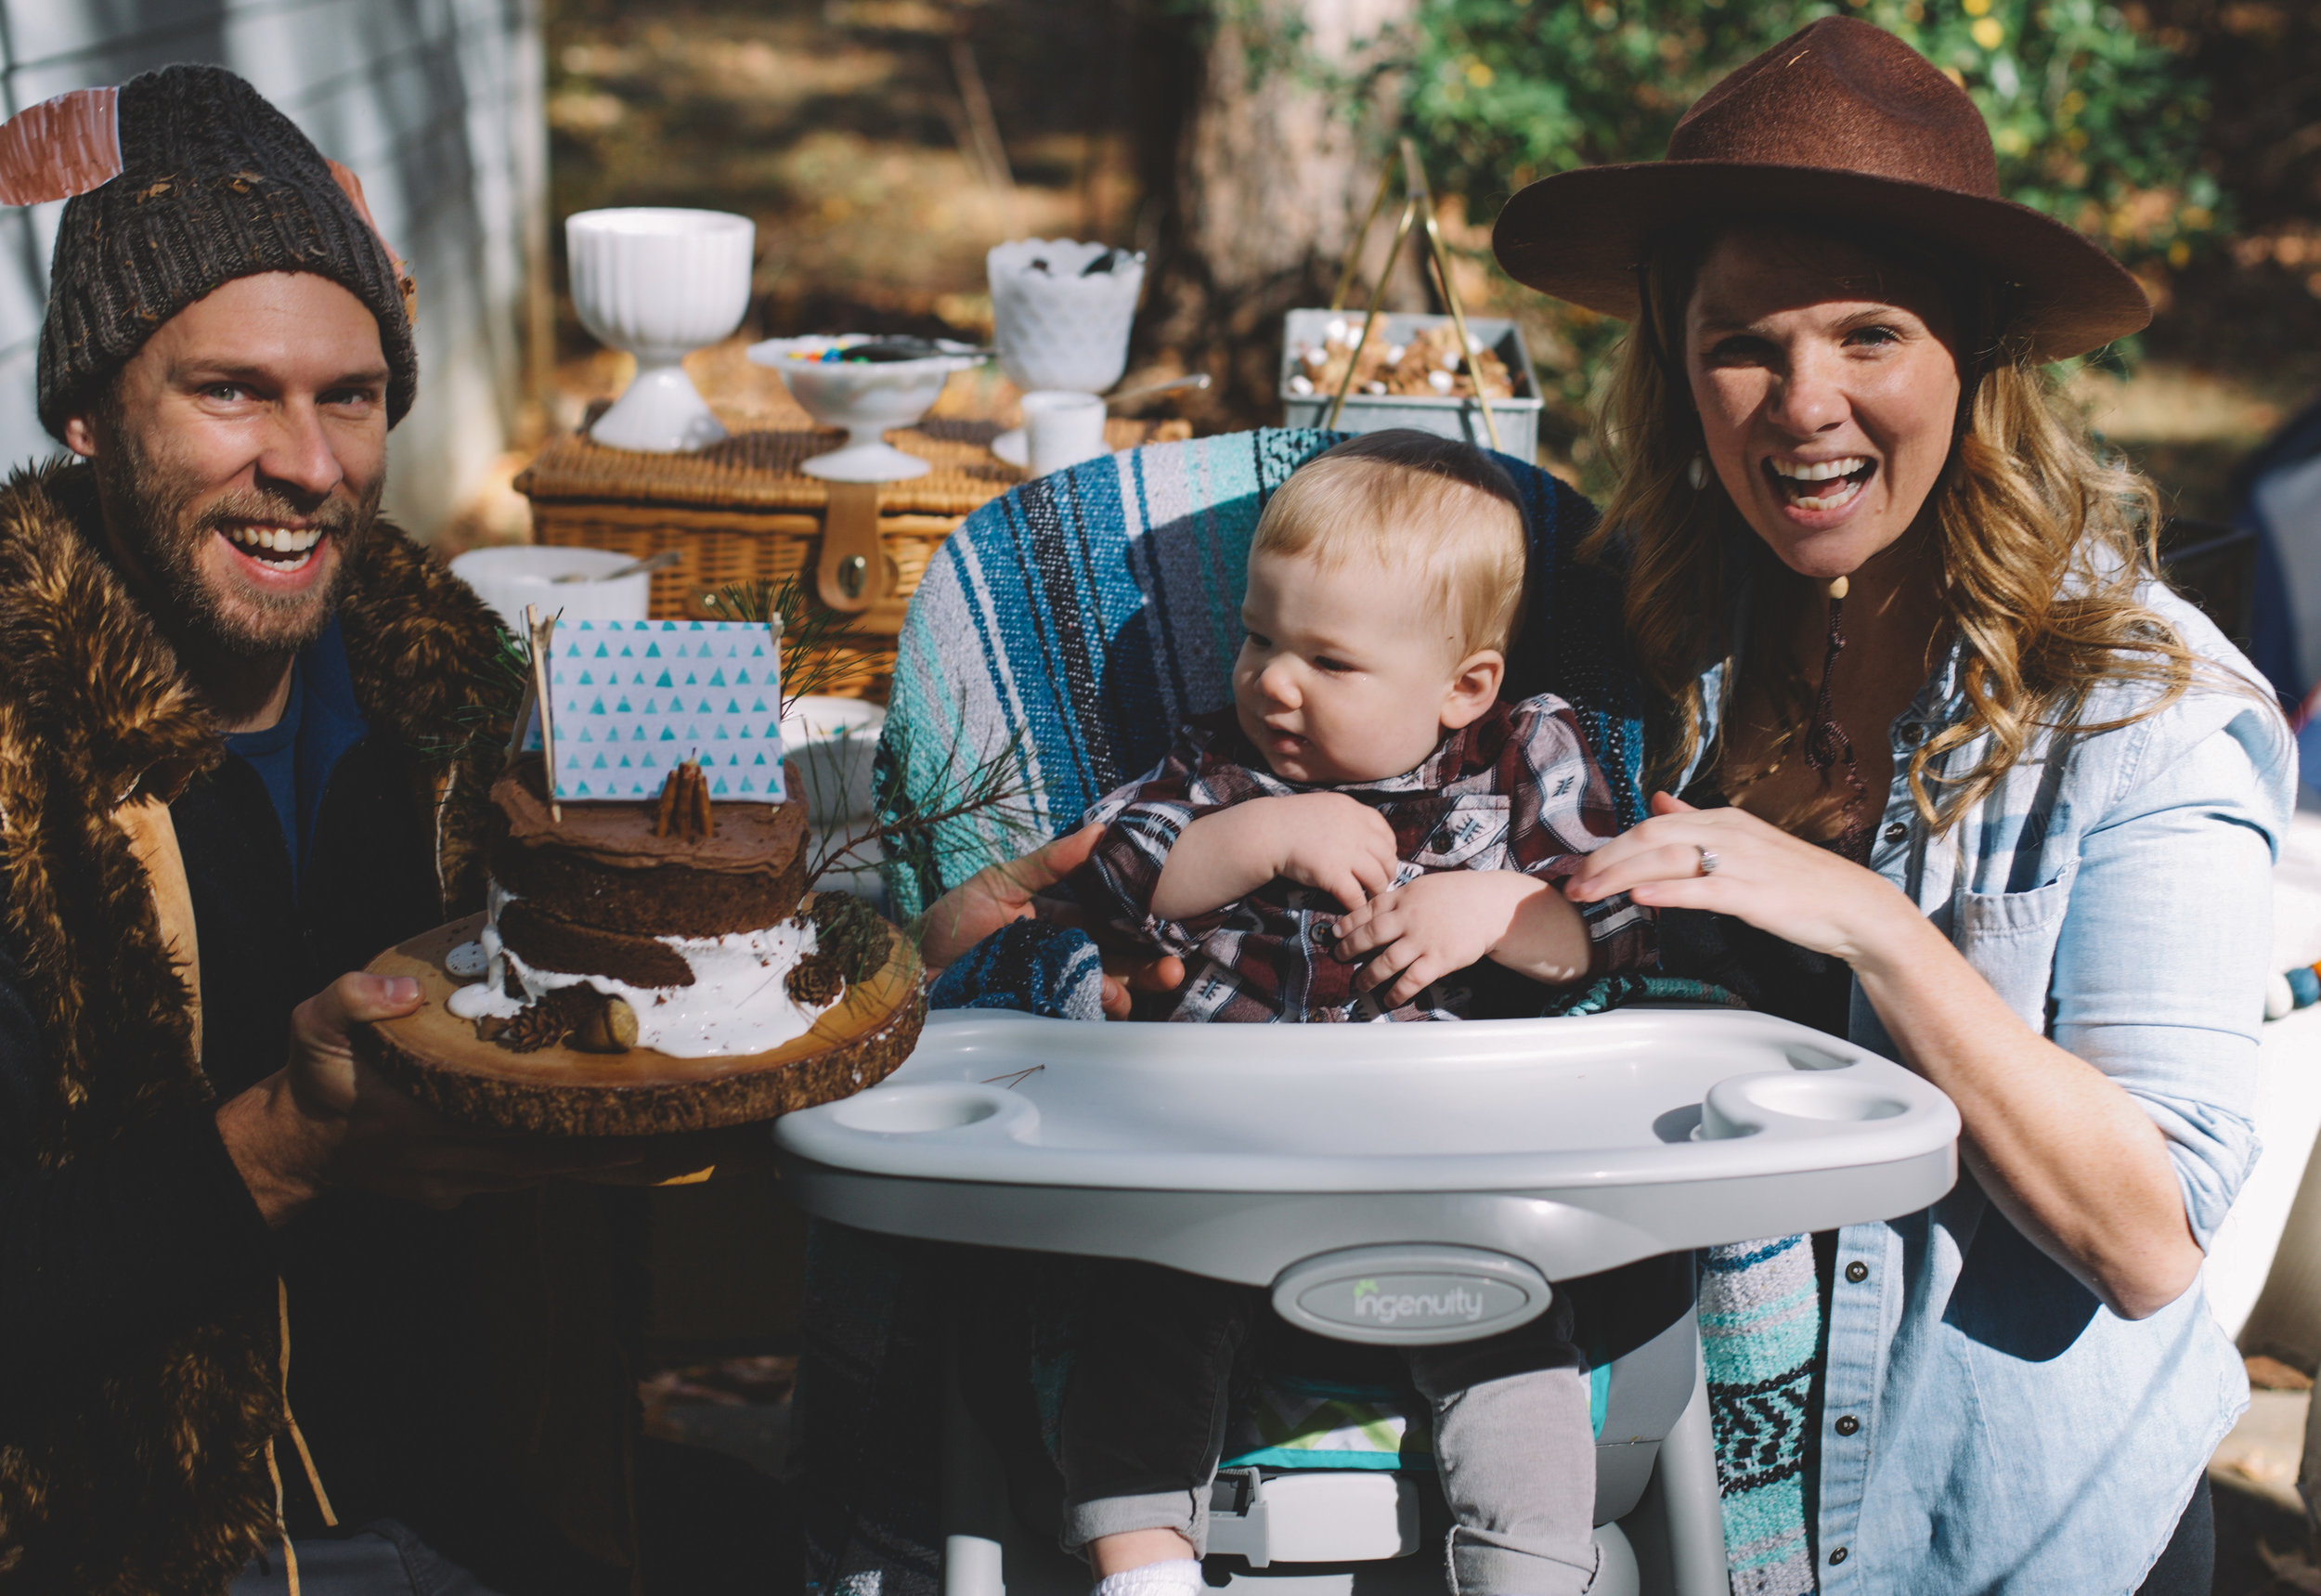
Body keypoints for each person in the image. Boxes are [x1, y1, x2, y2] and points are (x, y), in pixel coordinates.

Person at [1485, 17, 2289, 1595]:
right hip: (1679, 1507)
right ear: (1671, 356)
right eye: (1742, 342)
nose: (1802, 403)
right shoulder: (1645, 635)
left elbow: (2148, 1236)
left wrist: (1870, 916)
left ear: (1975, 351)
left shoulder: (2147, 707)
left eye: (1870, 334)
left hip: (1997, 1534)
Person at [0, 65, 759, 1595]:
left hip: (492, 1505)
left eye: (349, 394)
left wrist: (781, 960)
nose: (309, 463)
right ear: (86, 408)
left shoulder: (454, 703)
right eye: (230, 390)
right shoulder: (25, 766)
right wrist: (290, 1141)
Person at [1047, 432, 1651, 1596]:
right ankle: (1142, 1567)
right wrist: (1254, 840)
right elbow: (1106, 880)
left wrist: (1503, 909)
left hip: (1446, 1164)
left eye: (1328, 660)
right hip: (1220, 1154)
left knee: (1517, 1341)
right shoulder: (1219, 768)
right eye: (1256, 638)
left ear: (1463, 685)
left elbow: (1614, 928)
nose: (1271, 680)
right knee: (1135, 1312)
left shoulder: (1521, 757)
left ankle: (1528, 1570)